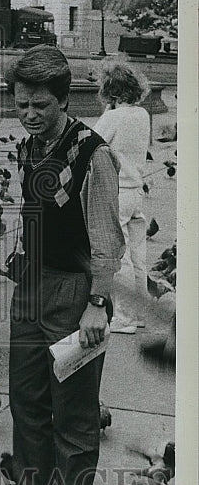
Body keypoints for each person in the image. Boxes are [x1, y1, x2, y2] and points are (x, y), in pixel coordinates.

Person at [0, 47, 125, 485]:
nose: (29, 114)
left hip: (74, 294)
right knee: (26, 399)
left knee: (74, 411)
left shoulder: (94, 154)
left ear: (64, 100)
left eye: (40, 106)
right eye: (21, 104)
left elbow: (108, 241)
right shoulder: (30, 148)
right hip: (31, 287)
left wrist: (97, 306)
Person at [93, 61, 151, 333]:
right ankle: (139, 313)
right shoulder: (142, 114)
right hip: (137, 191)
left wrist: (107, 111)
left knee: (120, 256)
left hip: (118, 192)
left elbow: (92, 143)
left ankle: (124, 318)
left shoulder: (113, 117)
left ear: (110, 92)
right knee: (138, 256)